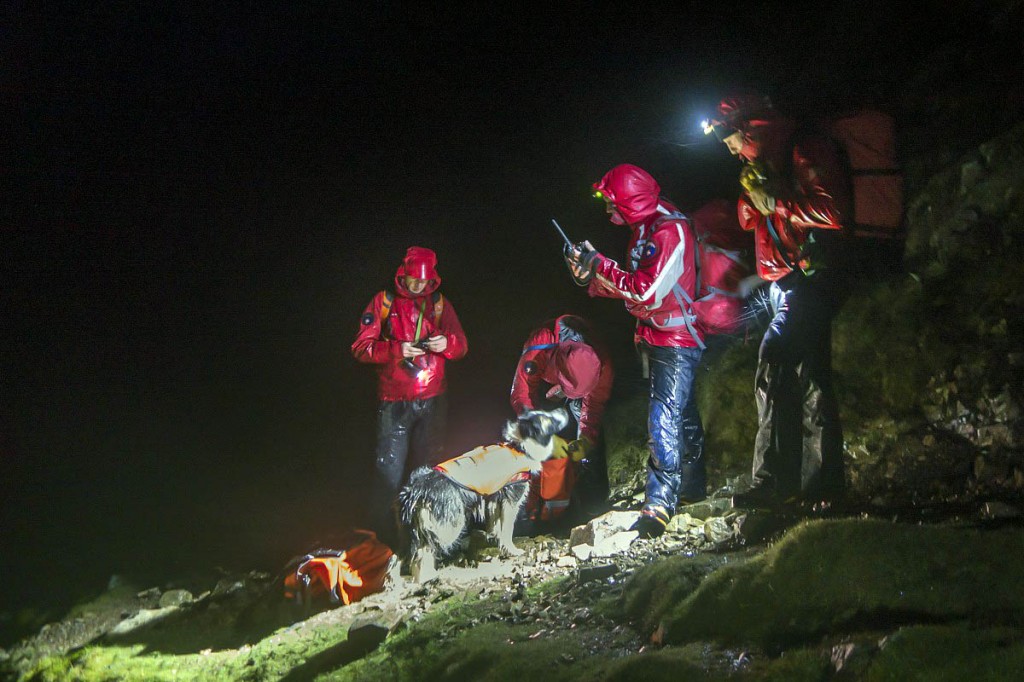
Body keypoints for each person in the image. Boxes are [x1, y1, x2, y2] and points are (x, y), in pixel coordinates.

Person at [706, 93, 849, 508]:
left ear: (749, 129)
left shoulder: (803, 149)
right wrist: (756, 197)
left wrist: (778, 202)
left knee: (775, 360)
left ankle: (775, 482)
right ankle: (823, 488)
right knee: (812, 378)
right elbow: (747, 218)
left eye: (730, 139)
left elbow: (833, 211)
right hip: (785, 282)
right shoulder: (763, 164)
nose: (729, 149)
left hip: (812, 276)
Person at [564, 163, 706, 538]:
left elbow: (645, 291)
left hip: (677, 339)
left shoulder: (669, 230)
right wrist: (590, 278)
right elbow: (636, 291)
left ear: (632, 201)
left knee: (663, 417)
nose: (607, 209)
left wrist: (601, 266)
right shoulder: (643, 228)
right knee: (682, 413)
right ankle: (692, 487)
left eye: (611, 202)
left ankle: (659, 502)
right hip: (653, 335)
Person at [351, 246, 468, 546]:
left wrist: (446, 343)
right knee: (388, 473)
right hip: (394, 401)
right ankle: (379, 542)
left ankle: (428, 537)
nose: (418, 287)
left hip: (433, 399)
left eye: (424, 282)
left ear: (432, 281)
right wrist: (396, 350)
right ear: (402, 275)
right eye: (413, 280)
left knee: (430, 469)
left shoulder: (439, 305)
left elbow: (461, 346)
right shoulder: (383, 303)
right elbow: (360, 348)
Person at [510, 315, 614, 529]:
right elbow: (521, 392)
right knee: (533, 433)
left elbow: (592, 409)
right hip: (548, 382)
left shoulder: (603, 366)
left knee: (588, 440)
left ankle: (592, 502)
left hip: (578, 383)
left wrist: (585, 440)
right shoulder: (542, 343)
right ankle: (530, 509)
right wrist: (538, 430)